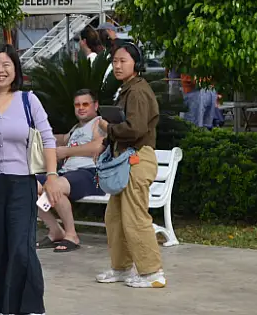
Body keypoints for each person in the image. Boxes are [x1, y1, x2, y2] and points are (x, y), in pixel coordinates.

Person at [0, 43, 55, 315]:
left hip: (21, 184)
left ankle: (28, 306)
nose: (0, 70)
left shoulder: (29, 100)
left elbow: (48, 138)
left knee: (22, 246)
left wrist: (51, 175)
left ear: (16, 70)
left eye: (7, 65)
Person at [93, 42, 166, 288]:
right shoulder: (127, 89)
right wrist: (108, 141)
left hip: (137, 159)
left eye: (123, 60)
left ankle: (152, 273)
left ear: (136, 63)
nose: (117, 65)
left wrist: (107, 128)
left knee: (135, 216)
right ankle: (121, 268)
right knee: (115, 217)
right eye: (114, 61)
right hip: (125, 159)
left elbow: (136, 129)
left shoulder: (137, 91)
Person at [36, 89, 106, 253]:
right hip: (68, 174)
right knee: (26, 186)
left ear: (95, 105)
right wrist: (40, 135)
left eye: (85, 104)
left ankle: (71, 235)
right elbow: (62, 138)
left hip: (90, 173)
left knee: (54, 186)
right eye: (77, 105)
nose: (81, 108)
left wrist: (66, 151)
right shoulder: (76, 128)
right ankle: (55, 230)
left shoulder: (99, 123)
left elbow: (98, 146)